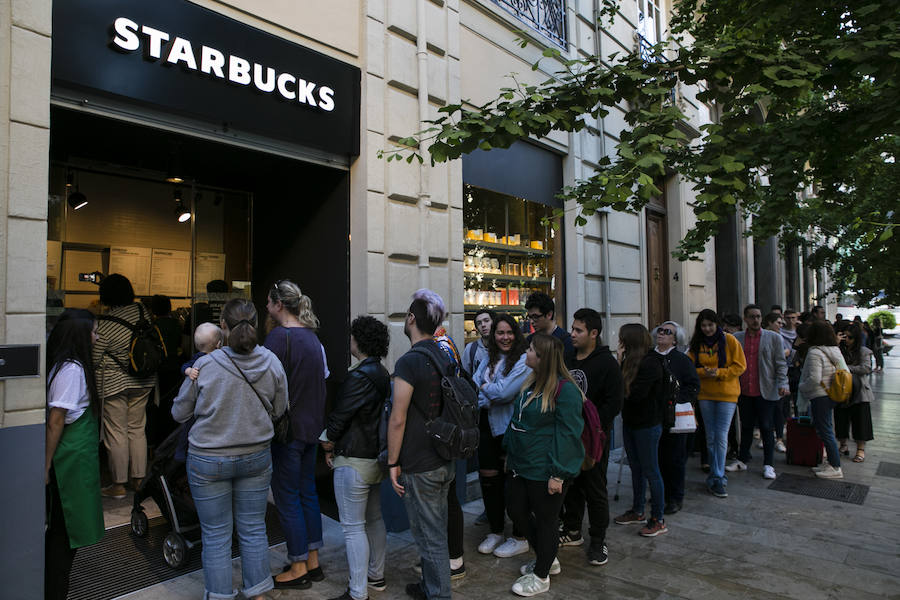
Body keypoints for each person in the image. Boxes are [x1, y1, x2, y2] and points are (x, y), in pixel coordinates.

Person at [172, 298, 288, 600]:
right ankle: (259, 593)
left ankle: (220, 596)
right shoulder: (272, 362)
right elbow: (280, 408)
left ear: (223, 326)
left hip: (209, 460)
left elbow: (179, 412)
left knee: (216, 536)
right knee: (253, 529)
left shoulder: (205, 364)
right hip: (256, 457)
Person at [504, 333, 585, 597]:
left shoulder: (566, 390)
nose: (525, 353)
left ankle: (541, 575)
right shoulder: (531, 382)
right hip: (521, 465)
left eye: (530, 350)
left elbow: (569, 434)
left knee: (547, 521)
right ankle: (546, 558)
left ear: (542, 357)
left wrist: (558, 474)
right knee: (516, 510)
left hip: (546, 469)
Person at [387, 289, 455, 600]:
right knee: (434, 529)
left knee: (430, 537)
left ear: (412, 318)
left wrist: (392, 462)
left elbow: (397, 418)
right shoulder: (445, 353)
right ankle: (430, 587)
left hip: (420, 462)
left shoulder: (409, 361)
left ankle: (439, 594)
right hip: (443, 458)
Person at [321, 316, 391, 600]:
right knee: (374, 519)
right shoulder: (382, 373)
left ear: (359, 341)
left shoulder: (360, 376)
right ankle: (376, 576)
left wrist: (327, 444)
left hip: (353, 460)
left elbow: (339, 418)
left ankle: (358, 592)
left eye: (352, 336)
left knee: (352, 528)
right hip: (374, 459)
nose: (349, 340)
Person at [265, 280, 329, 589]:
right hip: (312, 427)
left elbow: (263, 383)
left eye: (268, 301)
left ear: (279, 305)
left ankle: (298, 565)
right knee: (307, 493)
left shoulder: (278, 338)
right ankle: (313, 561)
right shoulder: (312, 339)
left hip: (288, 431)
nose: (266, 307)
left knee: (286, 497)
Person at [44, 309, 105, 600]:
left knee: (65, 533)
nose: (96, 338)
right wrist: (44, 466)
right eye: (93, 332)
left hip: (74, 458)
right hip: (68, 463)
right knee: (64, 533)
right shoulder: (72, 370)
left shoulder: (66, 366)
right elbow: (56, 421)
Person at [558, 308, 623, 566]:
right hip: (568, 437)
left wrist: (593, 424)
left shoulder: (607, 363)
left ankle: (598, 540)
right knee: (571, 486)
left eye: (578, 330)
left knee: (595, 489)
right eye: (573, 329)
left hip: (594, 439)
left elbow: (614, 403)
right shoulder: (568, 357)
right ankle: (573, 530)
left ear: (593, 333)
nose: (572, 334)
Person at [473, 314, 531, 559]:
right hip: (485, 424)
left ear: (515, 334)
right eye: (500, 333)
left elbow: (506, 393)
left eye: (509, 333)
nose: (505, 337)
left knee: (513, 482)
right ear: (493, 335)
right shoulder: (488, 357)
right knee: (489, 480)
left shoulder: (523, 359)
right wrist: (491, 392)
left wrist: (487, 389)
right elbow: (475, 382)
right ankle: (496, 531)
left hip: (510, 427)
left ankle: (520, 536)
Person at [93, 273, 157, 499]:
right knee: (137, 428)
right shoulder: (143, 312)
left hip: (114, 384)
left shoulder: (105, 323)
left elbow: (94, 356)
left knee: (117, 432)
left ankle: (118, 484)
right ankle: (139, 479)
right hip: (143, 380)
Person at [613, 324, 667, 537]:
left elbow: (633, 395)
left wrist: (618, 365)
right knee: (635, 468)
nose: (620, 343)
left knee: (651, 470)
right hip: (632, 422)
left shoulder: (651, 363)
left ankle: (658, 518)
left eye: (622, 339)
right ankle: (637, 511)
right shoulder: (631, 362)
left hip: (648, 425)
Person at [687, 309, 746, 498]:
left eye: (710, 325)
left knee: (720, 436)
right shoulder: (696, 344)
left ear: (717, 324)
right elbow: (689, 367)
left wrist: (720, 373)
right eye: (703, 326)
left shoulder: (730, 341)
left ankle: (718, 477)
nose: (707, 329)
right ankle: (714, 475)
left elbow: (740, 366)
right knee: (710, 437)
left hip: (727, 395)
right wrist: (705, 373)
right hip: (705, 395)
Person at [728, 305, 789, 480]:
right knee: (746, 426)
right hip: (745, 390)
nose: (756, 320)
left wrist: (783, 383)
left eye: (758, 316)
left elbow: (780, 362)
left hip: (766, 390)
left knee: (766, 427)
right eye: (752, 317)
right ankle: (742, 458)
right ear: (745, 319)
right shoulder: (737, 338)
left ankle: (768, 464)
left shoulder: (773, 338)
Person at [652, 321, 700, 515]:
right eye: (660, 331)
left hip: (675, 417)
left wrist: (677, 399)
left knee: (675, 459)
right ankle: (659, 493)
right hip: (653, 416)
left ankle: (675, 497)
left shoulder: (681, 359)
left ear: (675, 339)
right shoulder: (650, 357)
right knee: (657, 458)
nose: (661, 334)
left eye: (667, 332)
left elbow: (693, 385)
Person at [798, 320, 846, 479]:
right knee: (827, 428)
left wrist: (802, 387)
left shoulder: (815, 352)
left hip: (820, 395)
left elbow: (814, 378)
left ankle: (835, 466)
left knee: (825, 431)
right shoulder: (835, 350)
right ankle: (832, 463)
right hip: (833, 393)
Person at [836, 324, 875, 463]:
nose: (847, 340)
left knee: (861, 422)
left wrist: (846, 368)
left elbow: (866, 368)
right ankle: (843, 445)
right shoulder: (838, 350)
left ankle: (860, 449)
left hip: (860, 392)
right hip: (841, 391)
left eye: (850, 337)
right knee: (841, 420)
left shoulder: (863, 351)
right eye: (845, 336)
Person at [524, 292, 574, 359]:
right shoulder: (529, 340)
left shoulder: (566, 341)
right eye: (529, 317)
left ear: (549, 315)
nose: (531, 321)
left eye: (535, 317)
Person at [462, 309, 493, 377]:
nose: (483, 325)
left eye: (486, 321)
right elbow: (465, 377)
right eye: (479, 323)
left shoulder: (503, 347)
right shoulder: (471, 349)